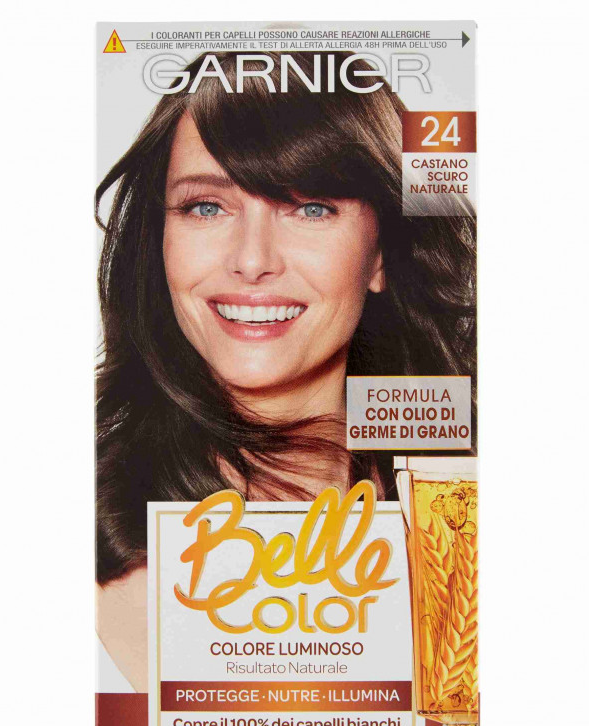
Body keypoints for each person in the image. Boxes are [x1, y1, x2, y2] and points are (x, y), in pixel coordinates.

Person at [95, 51, 476, 690]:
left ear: (381, 254)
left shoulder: (469, 517)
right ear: (158, 242)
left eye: (310, 207)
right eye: (206, 207)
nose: (252, 261)